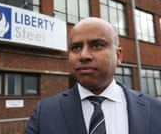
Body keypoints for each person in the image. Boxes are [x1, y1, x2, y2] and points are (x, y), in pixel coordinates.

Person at [23, 17, 161, 134]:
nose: (83, 56)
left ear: (118, 56)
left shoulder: (156, 110)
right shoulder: (45, 113)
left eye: (97, 45)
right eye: (76, 48)